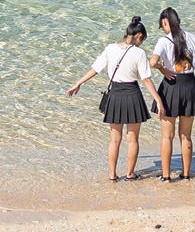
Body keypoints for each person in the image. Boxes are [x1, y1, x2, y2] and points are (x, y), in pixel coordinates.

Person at [66, 17, 163, 181]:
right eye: (142, 40)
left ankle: (112, 175)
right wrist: (158, 100)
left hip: (115, 95)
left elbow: (95, 69)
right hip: (132, 95)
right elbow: (146, 79)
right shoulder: (139, 53)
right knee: (132, 139)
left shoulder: (110, 48)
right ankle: (130, 174)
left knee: (114, 140)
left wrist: (78, 83)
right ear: (139, 36)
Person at [152, 7, 195, 181]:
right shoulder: (194, 38)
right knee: (186, 136)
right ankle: (186, 174)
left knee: (167, 136)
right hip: (189, 85)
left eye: (163, 25)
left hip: (171, 86)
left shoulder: (163, 41)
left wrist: (163, 69)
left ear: (165, 23)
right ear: (179, 21)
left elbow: (152, 62)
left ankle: (166, 176)